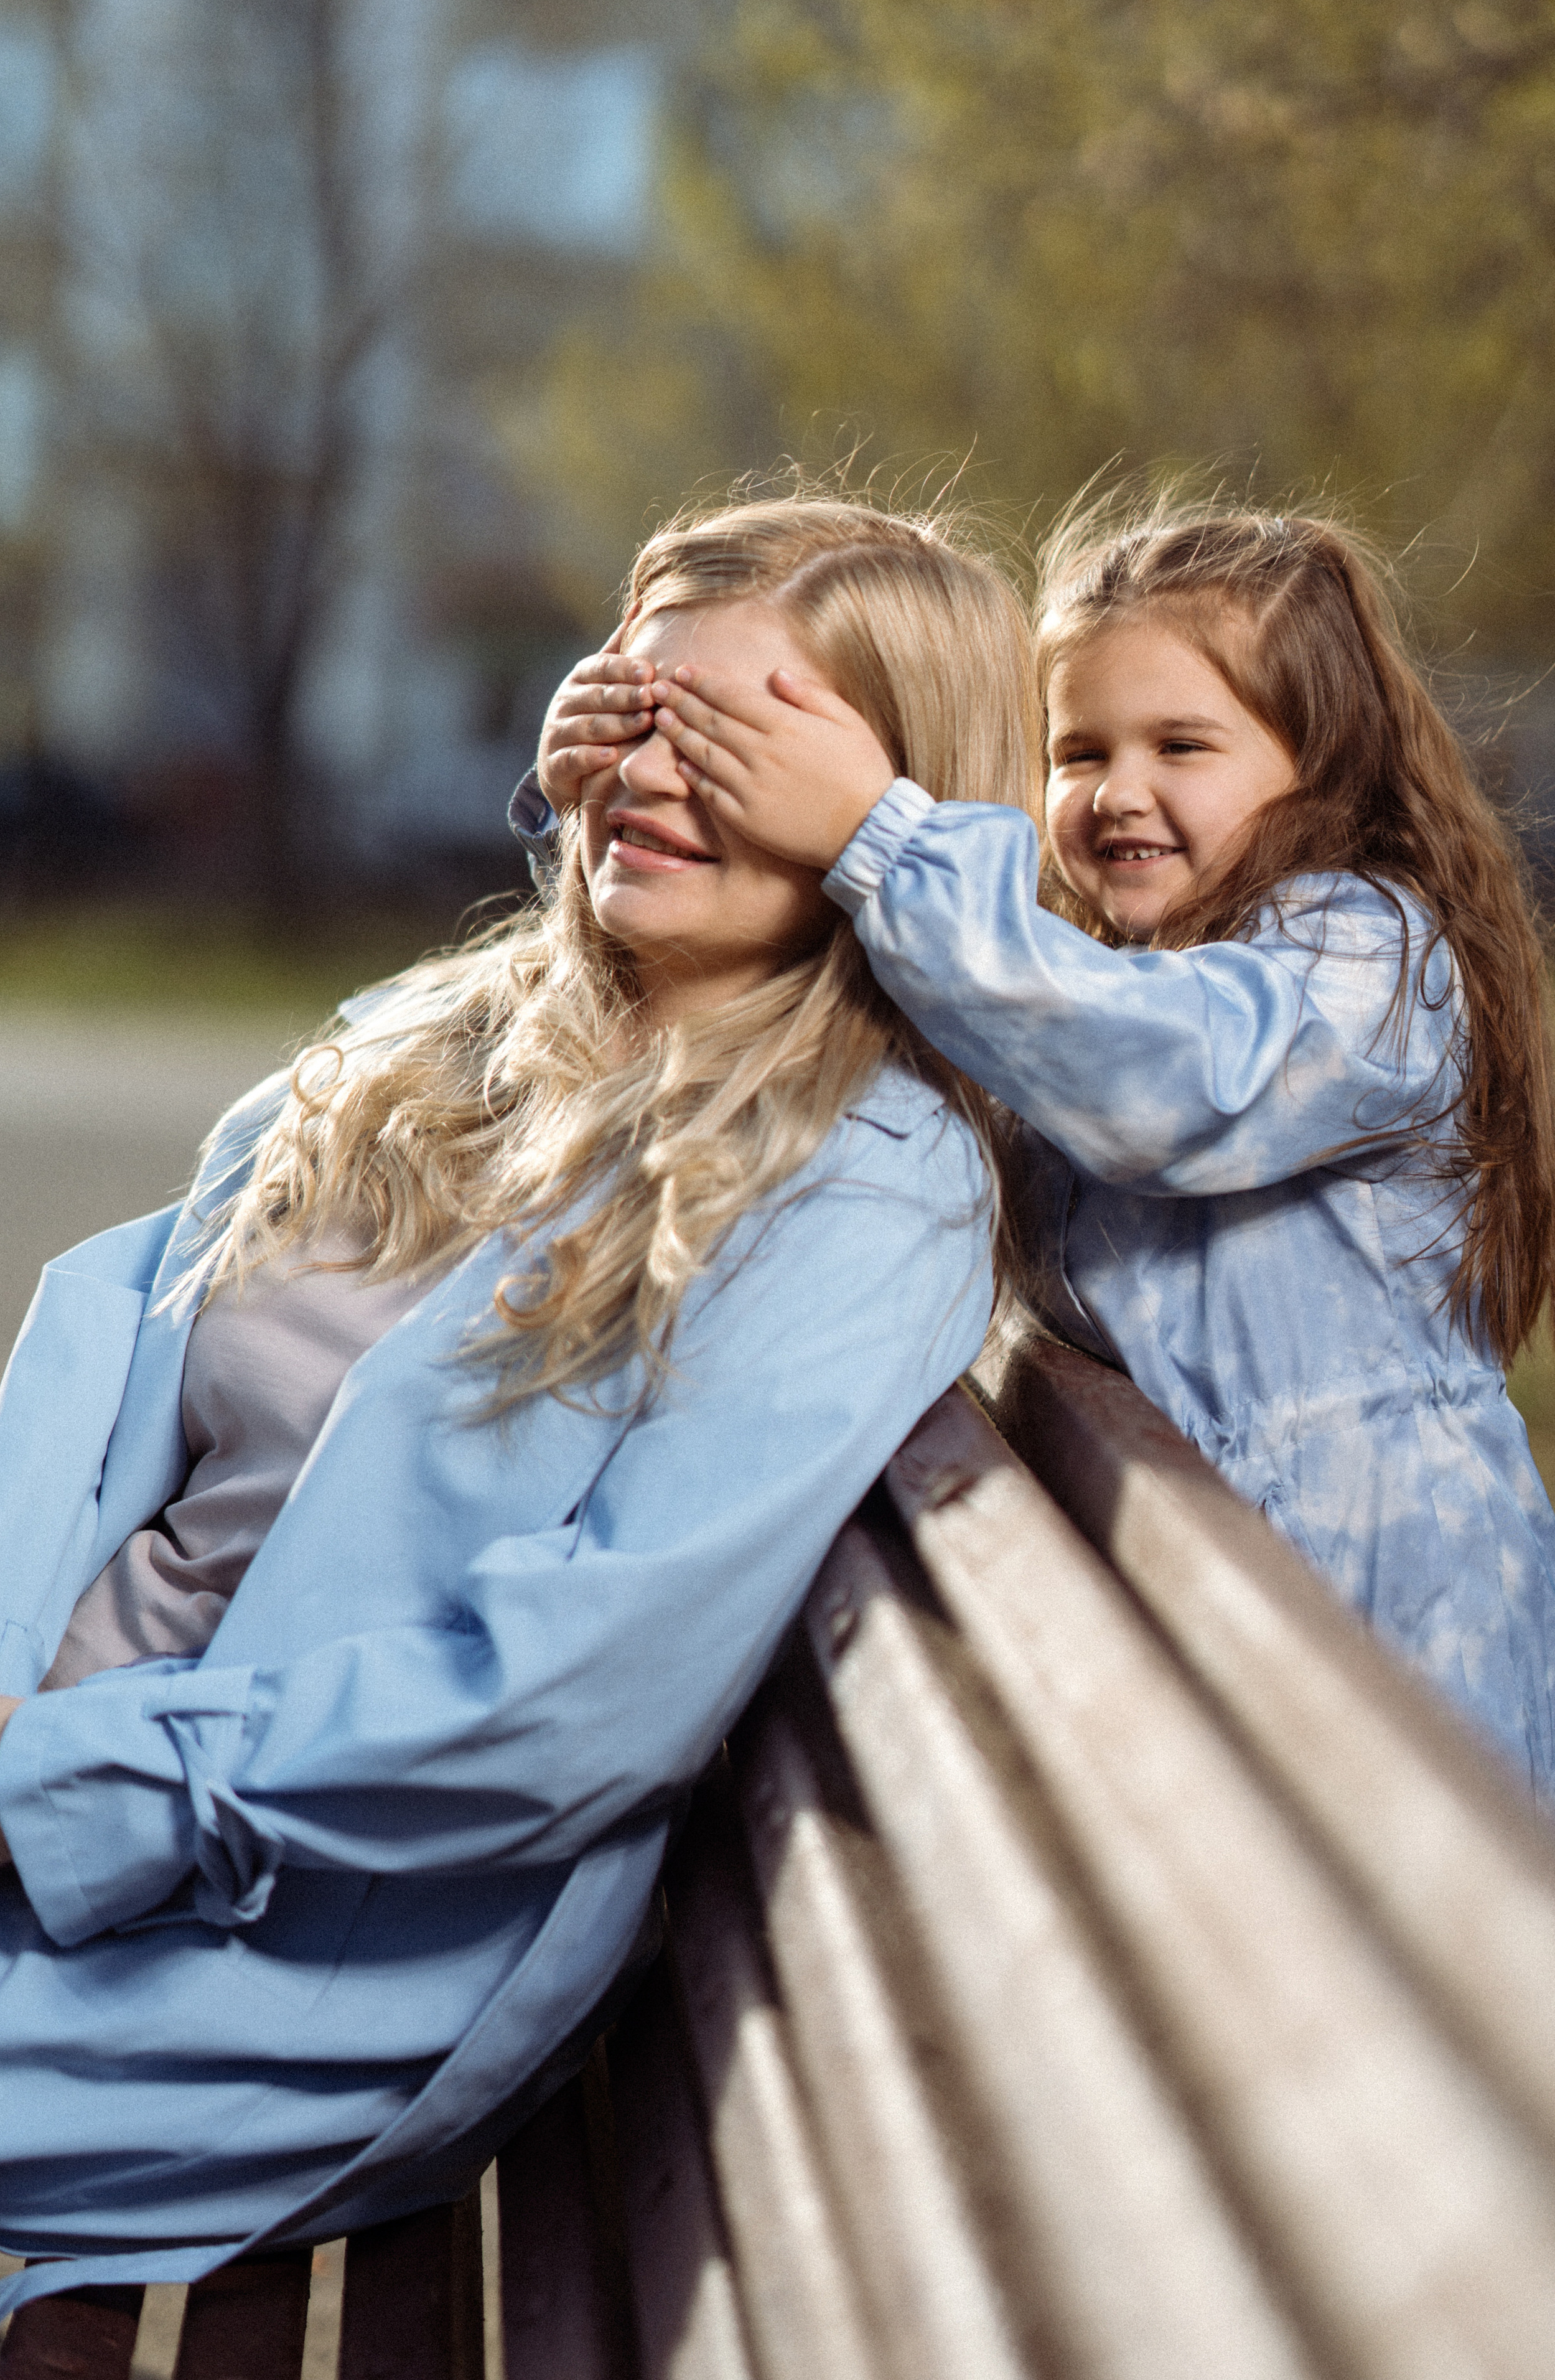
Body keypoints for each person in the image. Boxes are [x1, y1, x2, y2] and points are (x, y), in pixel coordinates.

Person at [0, 494, 1025, 2350]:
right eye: (630, 706)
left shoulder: (870, 1185)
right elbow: (97, 1398)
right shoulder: (440, 1042)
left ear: (894, 796)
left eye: (744, 735)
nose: (655, 769)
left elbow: (564, 1703)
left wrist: (24, 1783)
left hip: (258, 1963)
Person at [533, 494, 1555, 1799]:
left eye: (1180, 743)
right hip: (1191, 1633)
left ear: (1325, 762)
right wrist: (584, 802)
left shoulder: (1370, 957)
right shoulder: (1075, 974)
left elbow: (1162, 1075)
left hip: (1388, 1626)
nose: (1117, 792)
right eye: (1077, 751)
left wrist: (871, 832)